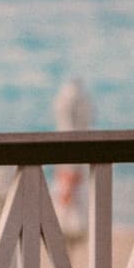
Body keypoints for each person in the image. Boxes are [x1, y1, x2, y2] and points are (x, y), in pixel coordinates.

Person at [53, 77, 94, 237]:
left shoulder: (65, 100)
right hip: (75, 154)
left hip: (70, 155)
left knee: (68, 199)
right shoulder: (80, 100)